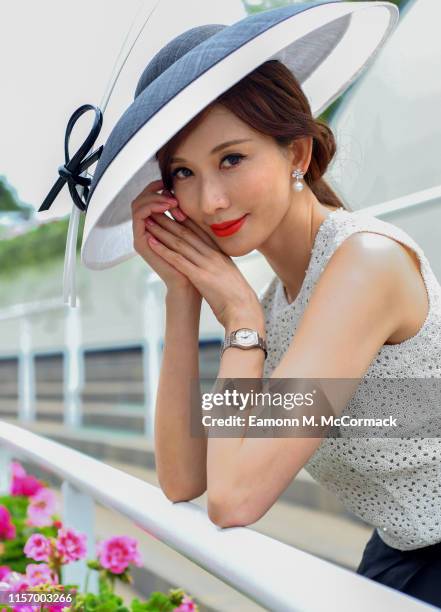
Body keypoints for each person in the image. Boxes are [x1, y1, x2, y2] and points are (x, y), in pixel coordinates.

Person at [41, 2, 441, 607]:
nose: (212, 199)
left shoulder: (364, 265)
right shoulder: (276, 302)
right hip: (403, 554)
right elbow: (183, 480)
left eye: (232, 158)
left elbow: (234, 500)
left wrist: (240, 325)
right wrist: (183, 295)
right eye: (183, 173)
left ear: (297, 155)